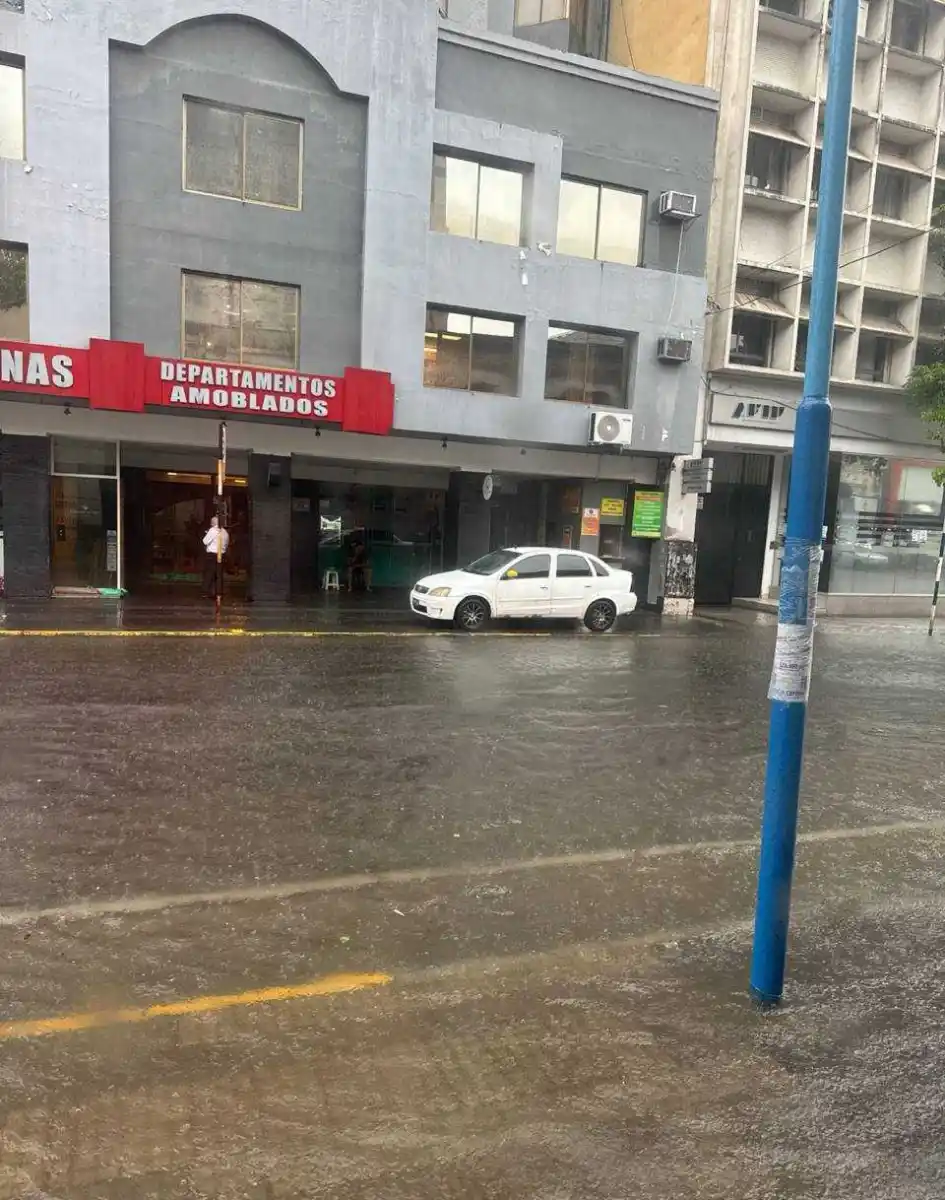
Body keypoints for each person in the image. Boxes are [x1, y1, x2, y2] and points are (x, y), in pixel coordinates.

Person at [202, 515, 230, 598]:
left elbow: (205, 541)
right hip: (222, 554)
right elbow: (226, 544)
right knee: (219, 575)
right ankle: (218, 592)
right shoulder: (225, 532)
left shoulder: (212, 530)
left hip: (212, 555)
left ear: (213, 523)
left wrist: (207, 533)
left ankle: (206, 591)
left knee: (209, 573)